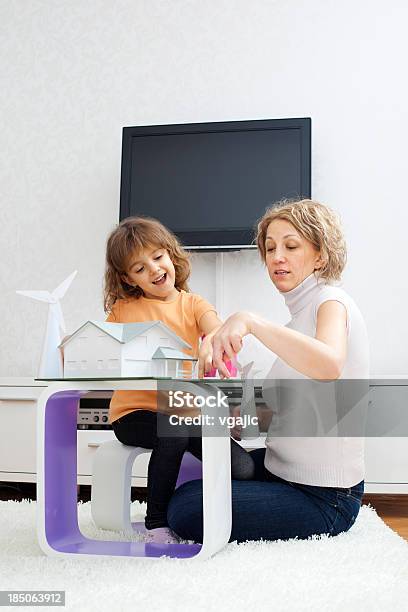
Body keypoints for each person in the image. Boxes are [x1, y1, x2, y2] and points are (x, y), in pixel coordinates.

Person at [167, 199, 369, 543]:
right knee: (195, 484)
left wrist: (251, 321)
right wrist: (234, 413)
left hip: (325, 497)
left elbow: (329, 364)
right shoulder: (298, 319)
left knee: (187, 509)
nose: (277, 257)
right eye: (270, 247)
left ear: (320, 255)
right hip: (284, 471)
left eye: (291, 246)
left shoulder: (331, 302)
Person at [104, 216, 254, 544]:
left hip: (186, 415)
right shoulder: (122, 309)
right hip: (132, 414)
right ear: (128, 279)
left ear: (171, 255)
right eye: (139, 268)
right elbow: (103, 348)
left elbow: (215, 326)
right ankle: (156, 522)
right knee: (171, 435)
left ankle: (190, 505)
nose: (154, 270)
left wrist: (213, 340)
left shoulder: (193, 304)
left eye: (157, 258)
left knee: (243, 467)